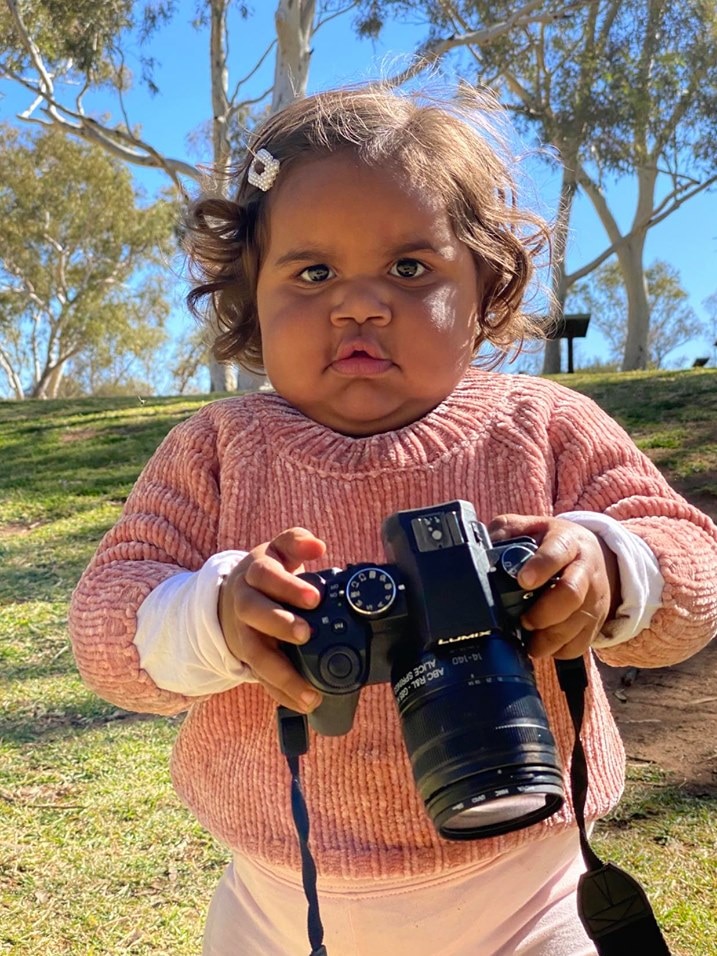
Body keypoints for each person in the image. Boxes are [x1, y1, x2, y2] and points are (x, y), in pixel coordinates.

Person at [68, 82, 717, 956]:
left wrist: (611, 567)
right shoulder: (216, 449)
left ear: (485, 286)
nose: (359, 304)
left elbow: (693, 566)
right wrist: (215, 614)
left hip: (535, 887)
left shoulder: (545, 426)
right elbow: (108, 620)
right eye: (312, 272)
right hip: (278, 900)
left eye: (410, 269)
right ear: (247, 294)